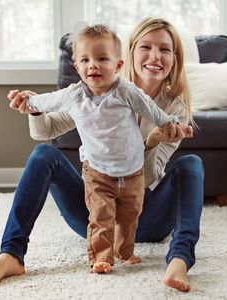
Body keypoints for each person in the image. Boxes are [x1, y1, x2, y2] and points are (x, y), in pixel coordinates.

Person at [0, 17, 204, 292]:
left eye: (165, 49)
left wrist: (151, 142)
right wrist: (34, 108)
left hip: (144, 215)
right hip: (94, 212)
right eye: (146, 47)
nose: (155, 56)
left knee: (191, 164)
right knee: (44, 154)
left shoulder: (173, 112)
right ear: (128, 54)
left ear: (175, 59)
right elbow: (46, 130)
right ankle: (11, 253)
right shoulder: (98, 89)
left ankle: (180, 258)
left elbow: (148, 175)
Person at [13, 24, 179, 274]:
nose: (94, 65)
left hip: (134, 173)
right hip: (99, 172)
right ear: (77, 67)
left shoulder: (128, 92)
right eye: (86, 60)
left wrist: (165, 125)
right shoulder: (76, 96)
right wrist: (31, 103)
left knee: (130, 215)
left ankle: (125, 251)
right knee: (101, 215)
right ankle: (101, 256)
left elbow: (151, 109)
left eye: (102, 59)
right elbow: (48, 105)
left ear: (118, 65)